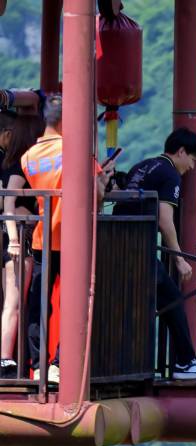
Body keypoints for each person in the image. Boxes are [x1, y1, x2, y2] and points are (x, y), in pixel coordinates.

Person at [16, 94, 113, 383]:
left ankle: (37, 366)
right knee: (74, 302)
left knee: (38, 305)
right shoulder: (75, 151)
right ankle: (60, 363)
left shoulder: (28, 157)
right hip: (73, 239)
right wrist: (104, 180)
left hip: (42, 239)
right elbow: (96, 194)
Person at [113, 128, 196, 380]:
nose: (192, 167)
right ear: (182, 152)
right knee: (172, 298)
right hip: (138, 247)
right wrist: (179, 258)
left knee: (138, 303)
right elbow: (165, 219)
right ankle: (184, 362)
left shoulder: (144, 165)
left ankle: (175, 360)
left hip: (116, 242)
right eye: (193, 160)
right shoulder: (170, 174)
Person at [0, 109, 41, 376]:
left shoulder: (7, 164)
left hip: (10, 239)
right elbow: (9, 201)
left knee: (11, 302)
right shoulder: (19, 165)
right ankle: (5, 359)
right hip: (17, 242)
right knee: (13, 303)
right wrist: (15, 239)